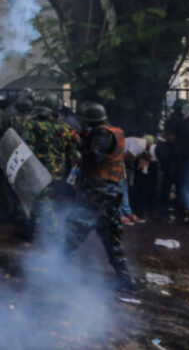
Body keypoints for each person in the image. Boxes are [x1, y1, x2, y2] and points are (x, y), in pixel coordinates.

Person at [64, 102, 136, 292]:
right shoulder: (116, 131)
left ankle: (57, 271)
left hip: (98, 192)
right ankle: (125, 279)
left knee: (74, 230)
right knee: (111, 236)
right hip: (110, 191)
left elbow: (93, 155)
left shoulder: (101, 133)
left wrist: (78, 143)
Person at [10, 95, 79, 239]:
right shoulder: (65, 127)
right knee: (43, 198)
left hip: (37, 169)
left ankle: (53, 232)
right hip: (58, 170)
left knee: (41, 200)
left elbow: (26, 147)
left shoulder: (32, 124)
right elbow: (73, 152)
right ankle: (32, 231)